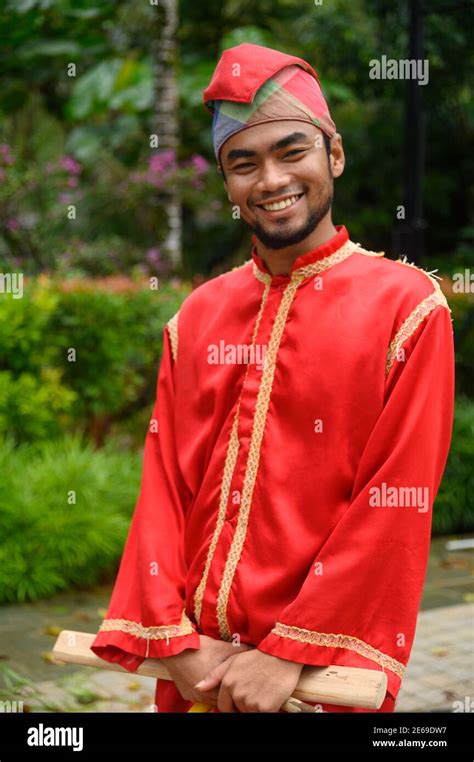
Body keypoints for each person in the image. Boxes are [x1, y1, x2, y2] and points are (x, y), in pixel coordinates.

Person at [91, 43, 455, 713]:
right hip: (196, 676)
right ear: (227, 184)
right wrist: (175, 644)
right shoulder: (197, 316)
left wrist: (287, 652)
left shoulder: (406, 309)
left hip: (319, 683)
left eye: (293, 152)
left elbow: (394, 499)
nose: (271, 180)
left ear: (334, 155)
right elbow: (163, 489)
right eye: (244, 163)